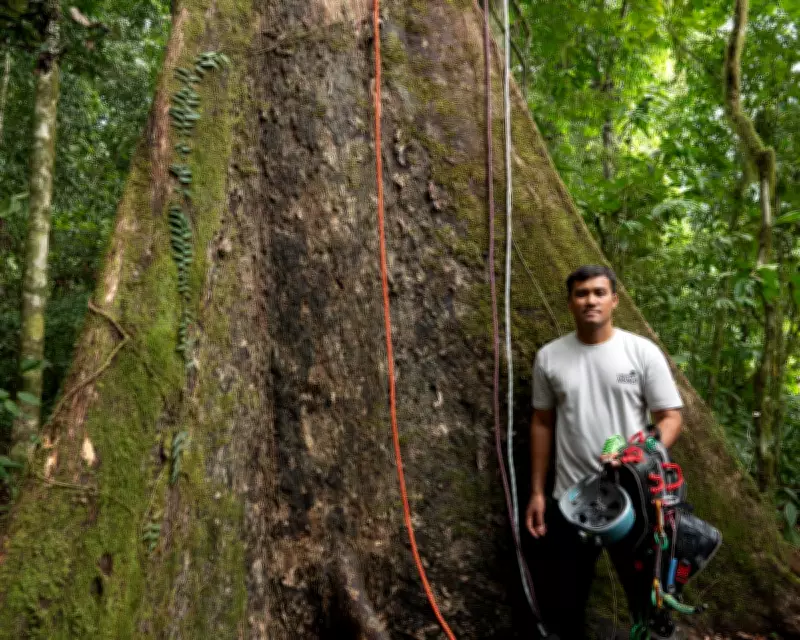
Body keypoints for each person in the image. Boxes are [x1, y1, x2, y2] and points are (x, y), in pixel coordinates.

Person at [525, 264, 684, 639]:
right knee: (564, 604)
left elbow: (670, 417)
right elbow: (542, 423)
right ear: (570, 303)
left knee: (648, 601)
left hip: (637, 501)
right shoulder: (550, 357)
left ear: (614, 299)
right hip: (572, 500)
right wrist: (536, 492)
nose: (590, 300)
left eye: (599, 293)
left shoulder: (640, 351)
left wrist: (642, 452)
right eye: (581, 294)